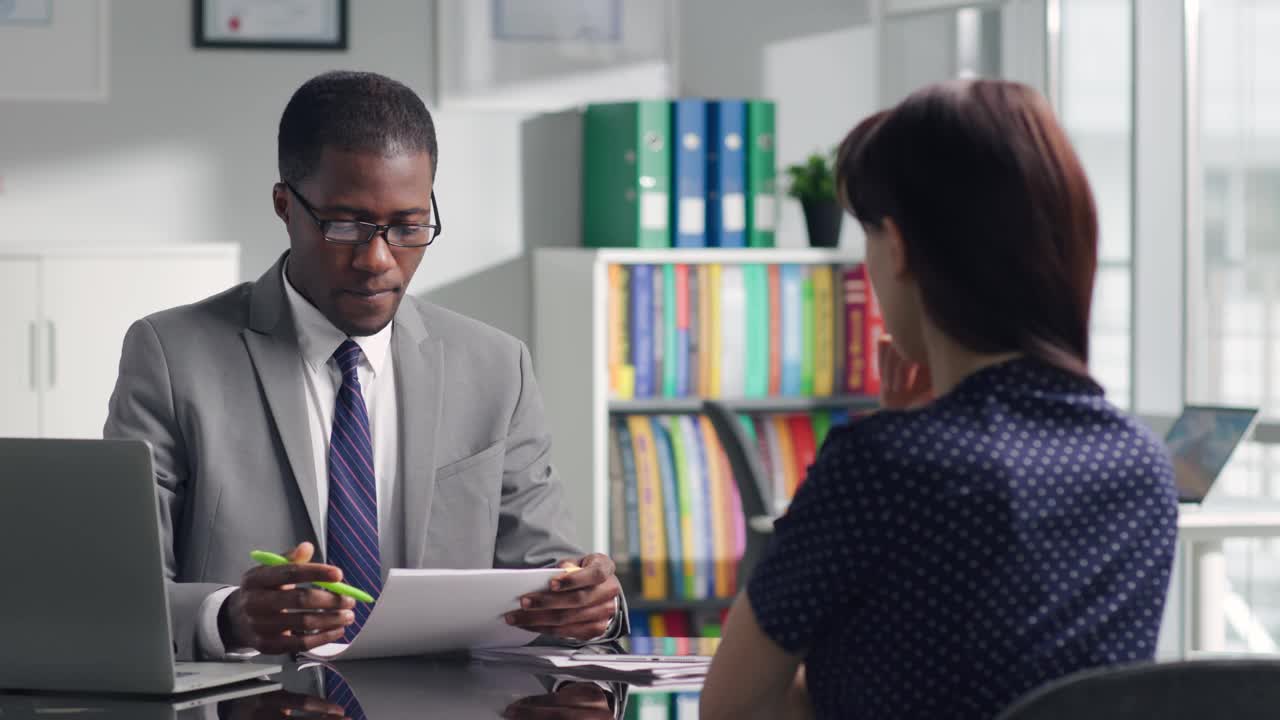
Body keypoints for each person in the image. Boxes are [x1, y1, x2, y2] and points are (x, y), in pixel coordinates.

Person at [700, 79, 1179, 720]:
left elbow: (735, 709)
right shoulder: (1142, 464)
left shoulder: (884, 466)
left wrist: (886, 447)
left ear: (897, 246)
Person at [104, 71, 624, 660]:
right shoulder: (174, 356)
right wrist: (228, 616)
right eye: (345, 225)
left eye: (408, 227)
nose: (378, 260)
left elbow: (543, 576)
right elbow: (119, 592)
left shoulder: (497, 367)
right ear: (284, 206)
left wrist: (586, 606)